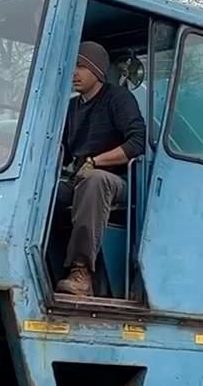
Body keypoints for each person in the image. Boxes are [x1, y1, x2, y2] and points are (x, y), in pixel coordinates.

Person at [55, 40, 146, 297]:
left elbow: (137, 143)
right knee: (47, 193)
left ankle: (82, 273)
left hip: (118, 182)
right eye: (72, 66)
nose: (74, 73)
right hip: (80, 178)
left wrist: (96, 161)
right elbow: (60, 152)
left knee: (94, 181)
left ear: (98, 71)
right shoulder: (72, 108)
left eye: (81, 66)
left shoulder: (118, 99)